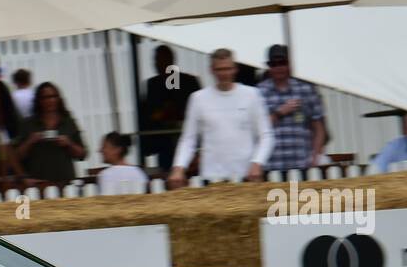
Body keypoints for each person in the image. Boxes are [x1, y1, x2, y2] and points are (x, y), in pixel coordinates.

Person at [169, 48, 271, 188]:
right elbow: (189, 139)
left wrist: (257, 163)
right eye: (220, 69)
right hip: (212, 178)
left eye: (228, 69)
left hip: (247, 176)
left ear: (235, 69)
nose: (224, 74)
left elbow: (266, 135)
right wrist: (178, 168)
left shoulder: (252, 95)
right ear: (211, 70)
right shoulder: (198, 99)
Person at [258, 45, 326, 173]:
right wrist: (280, 112)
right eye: (274, 64)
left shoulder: (307, 89)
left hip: (302, 164)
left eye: (282, 63)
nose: (278, 67)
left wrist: (316, 156)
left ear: (290, 63)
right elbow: (257, 129)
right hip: (272, 166)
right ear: (268, 66)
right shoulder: (259, 92)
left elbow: (319, 127)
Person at [13, 81, 86, 187]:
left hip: (66, 183)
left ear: (58, 99)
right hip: (39, 185)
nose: (50, 101)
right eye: (45, 97)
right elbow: (16, 156)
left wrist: (69, 144)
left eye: (53, 96)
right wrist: (30, 141)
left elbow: (83, 154)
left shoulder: (68, 122)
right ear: (39, 100)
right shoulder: (28, 124)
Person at [140, 44, 200, 169]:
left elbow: (196, 111)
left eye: (161, 60)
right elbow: (148, 114)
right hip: (164, 142)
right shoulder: (153, 84)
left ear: (171, 60)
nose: (157, 63)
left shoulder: (188, 81)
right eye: (156, 60)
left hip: (187, 137)